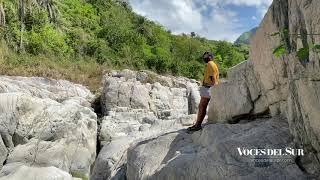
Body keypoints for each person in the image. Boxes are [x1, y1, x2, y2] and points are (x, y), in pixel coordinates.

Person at [187, 52, 219, 132]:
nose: (204, 57)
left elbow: (212, 77)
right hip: (209, 87)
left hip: (208, 87)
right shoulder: (212, 64)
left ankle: (198, 125)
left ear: (211, 57)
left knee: (202, 106)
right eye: (204, 56)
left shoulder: (210, 64)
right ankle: (198, 124)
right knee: (202, 106)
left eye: (206, 56)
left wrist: (214, 88)